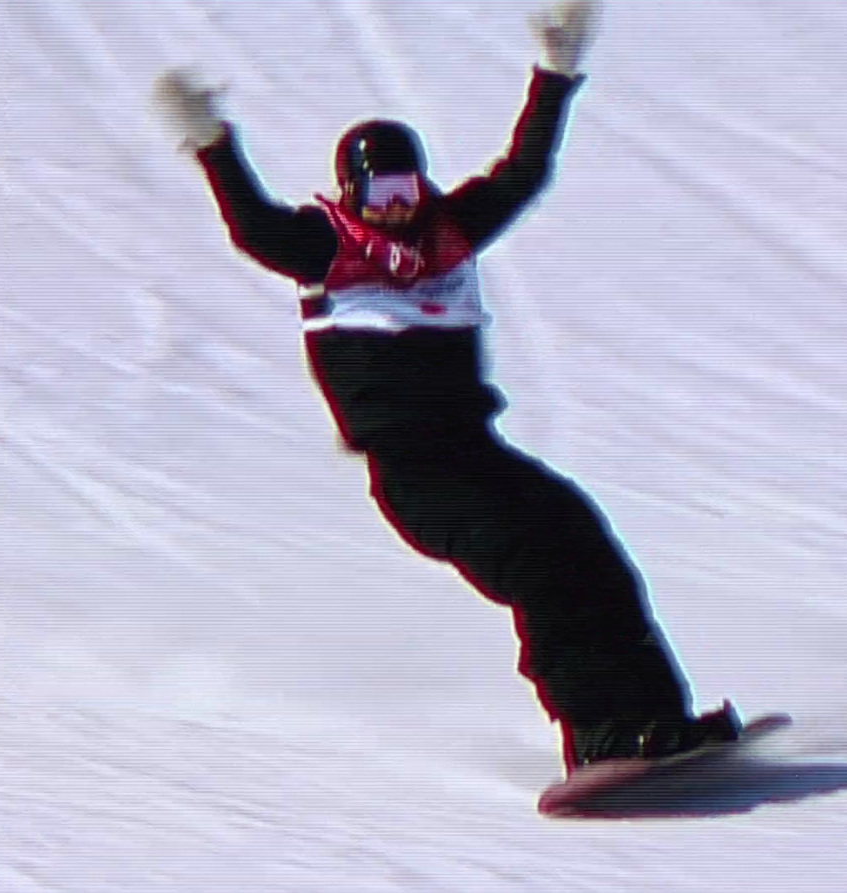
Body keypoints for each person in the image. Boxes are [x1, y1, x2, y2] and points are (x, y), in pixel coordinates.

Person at [152, 0, 739, 773]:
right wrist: (212, 144)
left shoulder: (449, 232)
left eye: (404, 189)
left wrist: (555, 76)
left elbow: (523, 173)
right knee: (536, 566)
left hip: (477, 453)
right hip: (416, 476)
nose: (395, 208)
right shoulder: (324, 248)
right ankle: (597, 735)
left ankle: (657, 721)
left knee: (587, 544)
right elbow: (254, 227)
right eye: (379, 195)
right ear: (351, 194)